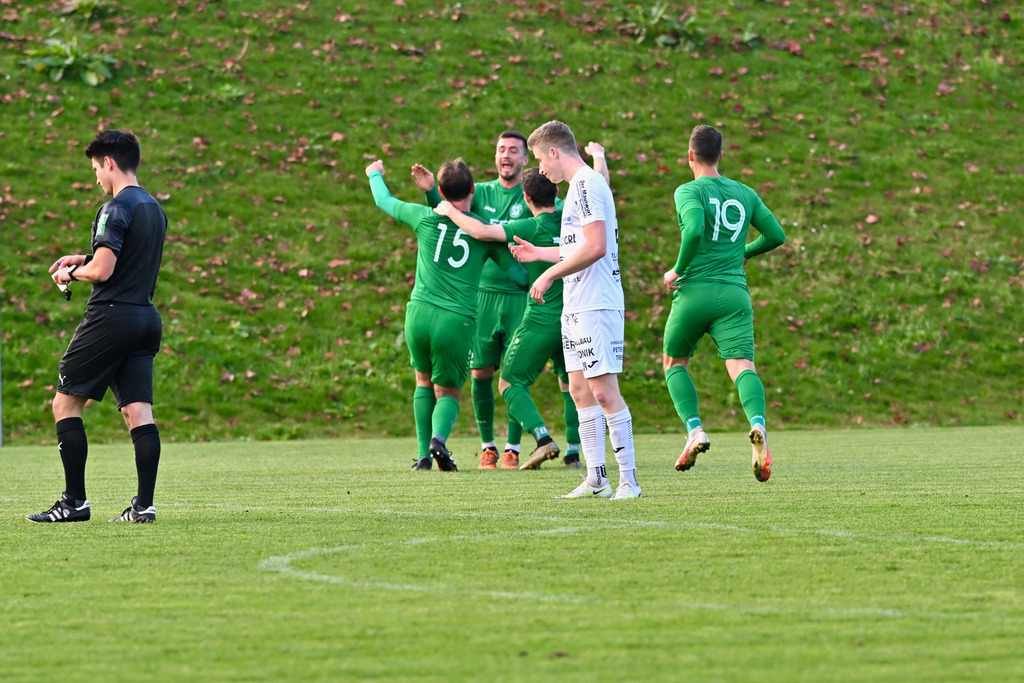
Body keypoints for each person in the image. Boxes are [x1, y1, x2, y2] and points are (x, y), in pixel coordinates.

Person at [411, 131, 606, 470]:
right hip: (486, 297)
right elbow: (448, 208)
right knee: (484, 371)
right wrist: (433, 193)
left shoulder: (537, 205)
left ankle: (515, 447)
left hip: (523, 296)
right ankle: (493, 447)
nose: (506, 155)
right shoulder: (480, 190)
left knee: (516, 378)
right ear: (494, 155)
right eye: (501, 149)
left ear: (527, 160)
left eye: (514, 151)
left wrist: (431, 196)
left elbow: (461, 220)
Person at [28, 129, 168, 524]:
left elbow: (105, 271)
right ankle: (143, 507)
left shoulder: (114, 207)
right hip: (145, 318)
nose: (96, 178)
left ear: (109, 162)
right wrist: (86, 257)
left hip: (111, 316)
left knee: (65, 404)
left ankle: (75, 503)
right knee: (138, 411)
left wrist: (71, 275)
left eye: (95, 168)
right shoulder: (154, 209)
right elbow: (126, 260)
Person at [366, 157, 527, 472]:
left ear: (440, 190)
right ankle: (438, 439)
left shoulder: (423, 218)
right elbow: (520, 279)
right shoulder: (484, 234)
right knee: (449, 392)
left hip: (419, 314)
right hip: (456, 320)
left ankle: (423, 457)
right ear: (472, 189)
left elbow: (384, 200)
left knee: (422, 382)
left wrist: (374, 173)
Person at [510, 121, 639, 500]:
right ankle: (597, 479)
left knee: (603, 392)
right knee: (580, 390)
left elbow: (597, 246)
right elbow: (577, 245)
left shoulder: (585, 185)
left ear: (554, 152)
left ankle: (630, 481)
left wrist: (548, 273)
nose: (540, 170)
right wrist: (540, 254)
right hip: (577, 305)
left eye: (538, 159)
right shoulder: (577, 189)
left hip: (597, 303)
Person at [662, 124, 786, 482]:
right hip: (734, 294)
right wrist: (743, 252)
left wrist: (676, 271)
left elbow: (695, 230)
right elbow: (776, 235)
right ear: (721, 155)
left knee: (675, 362)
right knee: (742, 366)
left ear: (689, 156)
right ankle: (758, 424)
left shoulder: (688, 190)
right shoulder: (744, 193)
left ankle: (695, 429)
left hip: (694, 293)